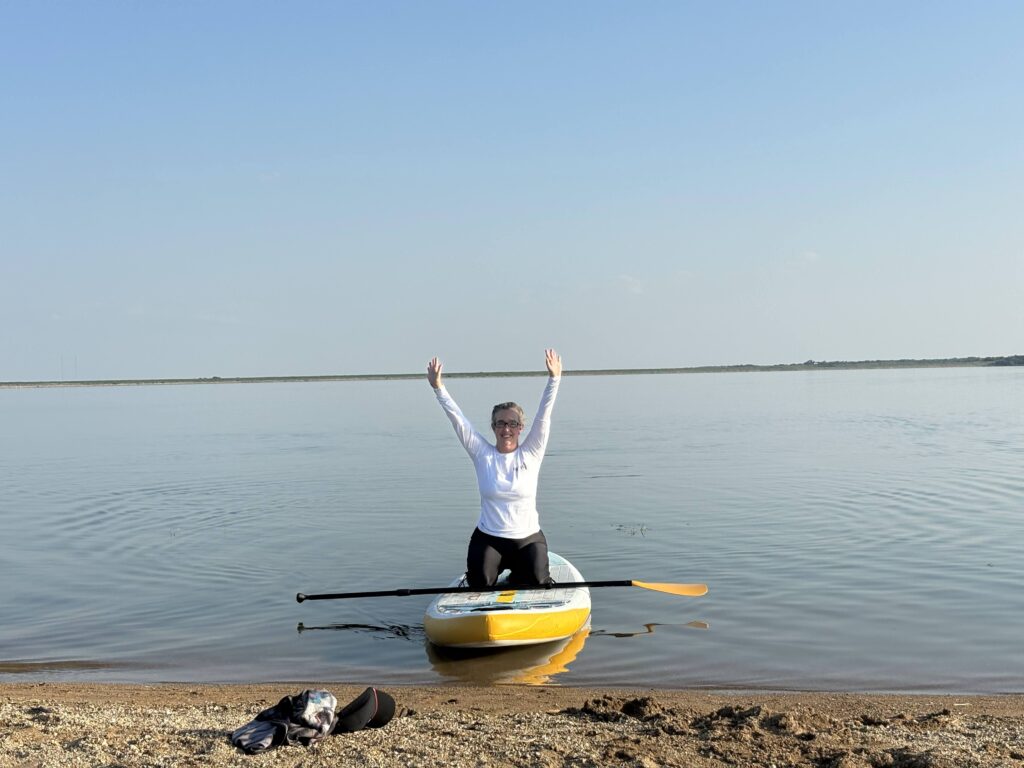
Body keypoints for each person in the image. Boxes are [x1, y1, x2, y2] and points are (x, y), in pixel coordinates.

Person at [427, 349, 563, 588]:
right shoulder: (482, 453)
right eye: (501, 423)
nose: (506, 429)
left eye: (512, 423)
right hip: (490, 539)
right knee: (480, 583)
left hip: (528, 539)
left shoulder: (532, 451)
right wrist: (438, 388)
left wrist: (554, 379)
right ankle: (490, 576)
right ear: (493, 427)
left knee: (537, 580)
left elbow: (544, 414)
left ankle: (518, 575)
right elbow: (458, 420)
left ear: (521, 427)